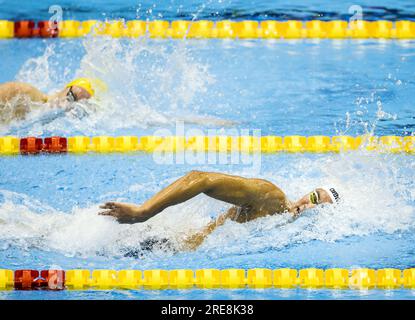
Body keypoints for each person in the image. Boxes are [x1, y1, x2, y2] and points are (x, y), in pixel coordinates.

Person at [99, 171, 340, 250]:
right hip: (165, 246)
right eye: (314, 197)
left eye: (318, 206)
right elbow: (200, 179)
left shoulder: (293, 236)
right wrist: (144, 212)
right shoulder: (272, 199)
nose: (308, 206)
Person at [0, 78, 95, 124]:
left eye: (78, 105)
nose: (67, 103)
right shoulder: (26, 93)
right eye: (71, 96)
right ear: (65, 89)